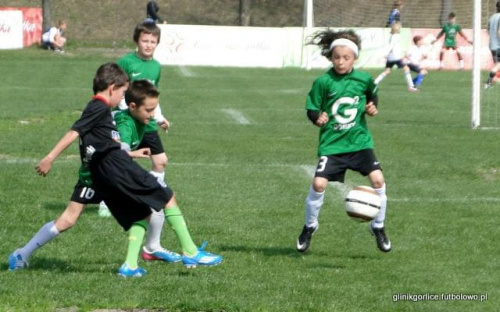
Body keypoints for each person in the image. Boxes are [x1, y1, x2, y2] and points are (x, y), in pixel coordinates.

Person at [9, 63, 222, 277]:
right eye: (121, 93)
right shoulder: (99, 107)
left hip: (96, 174)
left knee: (132, 215)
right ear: (112, 88)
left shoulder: (102, 110)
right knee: (166, 197)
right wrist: (49, 158)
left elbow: (97, 141)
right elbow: (75, 131)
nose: (122, 98)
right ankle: (190, 251)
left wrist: (133, 152)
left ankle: (128, 266)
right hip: (114, 168)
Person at [296, 29, 391, 254]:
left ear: (354, 58)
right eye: (337, 57)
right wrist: (317, 118)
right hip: (333, 144)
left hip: (359, 143)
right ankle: (310, 226)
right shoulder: (323, 82)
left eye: (346, 58)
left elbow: (372, 94)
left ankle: (378, 226)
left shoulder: (364, 79)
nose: (341, 62)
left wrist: (372, 106)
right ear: (330, 57)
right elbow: (311, 107)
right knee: (318, 184)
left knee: (378, 180)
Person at [374, 22, 419, 92]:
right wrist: (385, 53)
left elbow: (396, 46)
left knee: (387, 71)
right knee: (406, 69)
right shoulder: (396, 36)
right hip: (396, 57)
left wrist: (403, 51)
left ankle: (374, 83)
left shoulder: (392, 36)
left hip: (391, 57)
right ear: (398, 28)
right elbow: (391, 45)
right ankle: (411, 86)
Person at [485, 1, 500, 88]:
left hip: (492, 45)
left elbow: (488, 30)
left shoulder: (492, 17)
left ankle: (490, 81)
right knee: (498, 65)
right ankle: (488, 82)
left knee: (497, 65)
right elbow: (499, 32)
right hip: (498, 45)